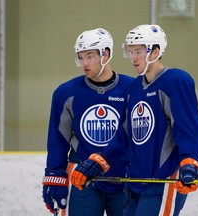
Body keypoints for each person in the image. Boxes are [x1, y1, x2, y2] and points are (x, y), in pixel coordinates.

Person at [71, 24, 198, 216]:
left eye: (139, 51)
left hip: (162, 181)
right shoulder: (135, 88)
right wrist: (100, 160)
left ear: (156, 51)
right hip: (133, 184)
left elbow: (187, 127)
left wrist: (189, 161)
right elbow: (125, 135)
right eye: (131, 51)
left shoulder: (175, 81)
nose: (133, 58)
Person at [42, 28, 134, 216]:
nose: (84, 63)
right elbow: (58, 141)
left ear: (106, 54)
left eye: (90, 56)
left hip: (123, 175)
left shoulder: (133, 89)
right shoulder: (66, 93)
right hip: (82, 178)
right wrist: (54, 177)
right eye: (81, 57)